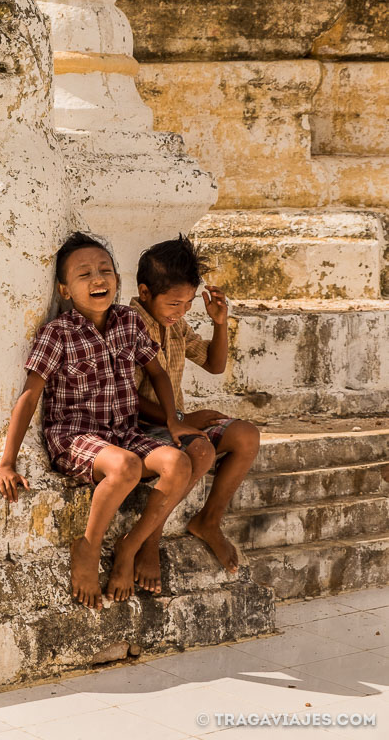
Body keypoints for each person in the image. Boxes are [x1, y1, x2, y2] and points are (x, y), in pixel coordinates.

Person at [0, 231, 211, 609]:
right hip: (76, 437)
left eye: (105, 270)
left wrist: (174, 422)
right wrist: (7, 461)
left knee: (179, 462)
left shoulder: (128, 322)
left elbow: (157, 373)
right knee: (125, 466)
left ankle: (131, 547)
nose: (98, 279)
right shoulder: (57, 333)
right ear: (64, 289)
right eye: (84, 274)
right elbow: (29, 397)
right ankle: (88, 549)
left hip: (123, 431)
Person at [131, 235, 261, 574]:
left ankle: (208, 520)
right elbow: (127, 399)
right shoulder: (128, 325)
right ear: (145, 293)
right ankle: (151, 539)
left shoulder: (175, 325)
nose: (182, 311)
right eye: (175, 304)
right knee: (200, 451)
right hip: (139, 427)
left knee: (246, 436)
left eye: (188, 304)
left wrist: (220, 323)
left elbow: (214, 364)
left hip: (173, 422)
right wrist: (181, 417)